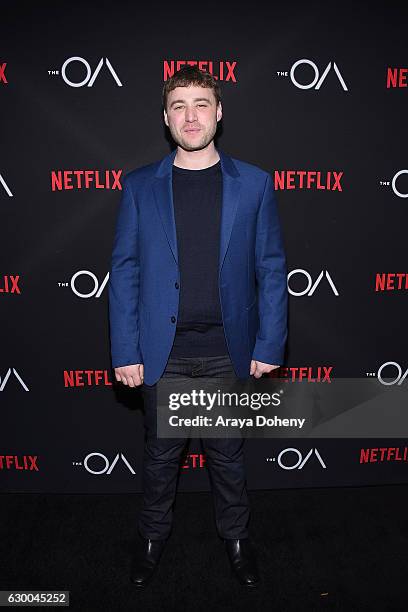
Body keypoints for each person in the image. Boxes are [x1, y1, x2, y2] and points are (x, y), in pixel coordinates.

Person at [108, 65, 288, 588]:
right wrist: (125, 349)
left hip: (226, 350)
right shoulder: (140, 185)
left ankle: (237, 540)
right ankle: (150, 541)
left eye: (202, 103)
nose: (191, 115)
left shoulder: (254, 183)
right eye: (180, 106)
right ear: (166, 118)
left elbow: (270, 268)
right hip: (162, 354)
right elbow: (124, 271)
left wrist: (270, 340)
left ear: (219, 112)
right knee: (160, 460)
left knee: (228, 458)